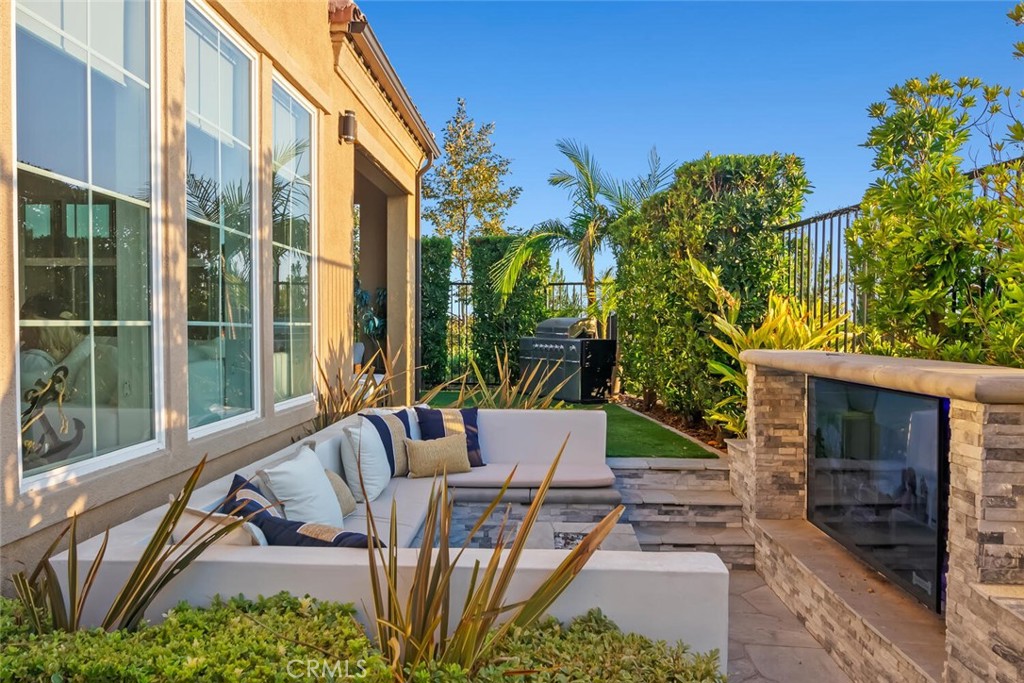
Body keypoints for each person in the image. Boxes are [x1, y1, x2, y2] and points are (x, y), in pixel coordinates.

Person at [19, 294, 85, 403]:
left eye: (25, 327)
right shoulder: (34, 360)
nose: (22, 334)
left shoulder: (35, 361)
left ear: (41, 330)